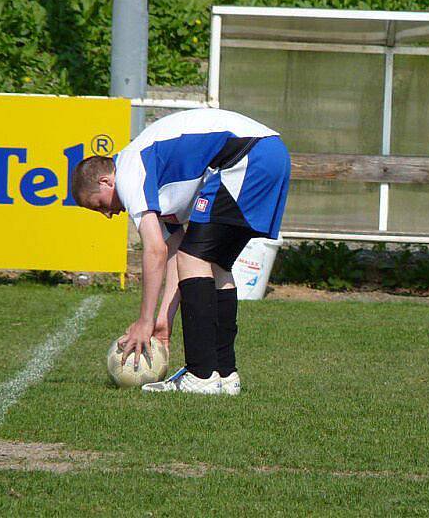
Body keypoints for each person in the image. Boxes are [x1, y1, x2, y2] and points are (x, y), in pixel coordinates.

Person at [71, 108, 290, 395]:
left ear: (105, 182)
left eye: (99, 204)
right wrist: (163, 320)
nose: (107, 214)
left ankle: (201, 376)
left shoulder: (128, 171)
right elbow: (174, 251)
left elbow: (155, 251)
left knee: (195, 259)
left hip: (249, 156)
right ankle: (225, 374)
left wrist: (144, 322)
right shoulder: (156, 184)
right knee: (216, 264)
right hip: (269, 153)